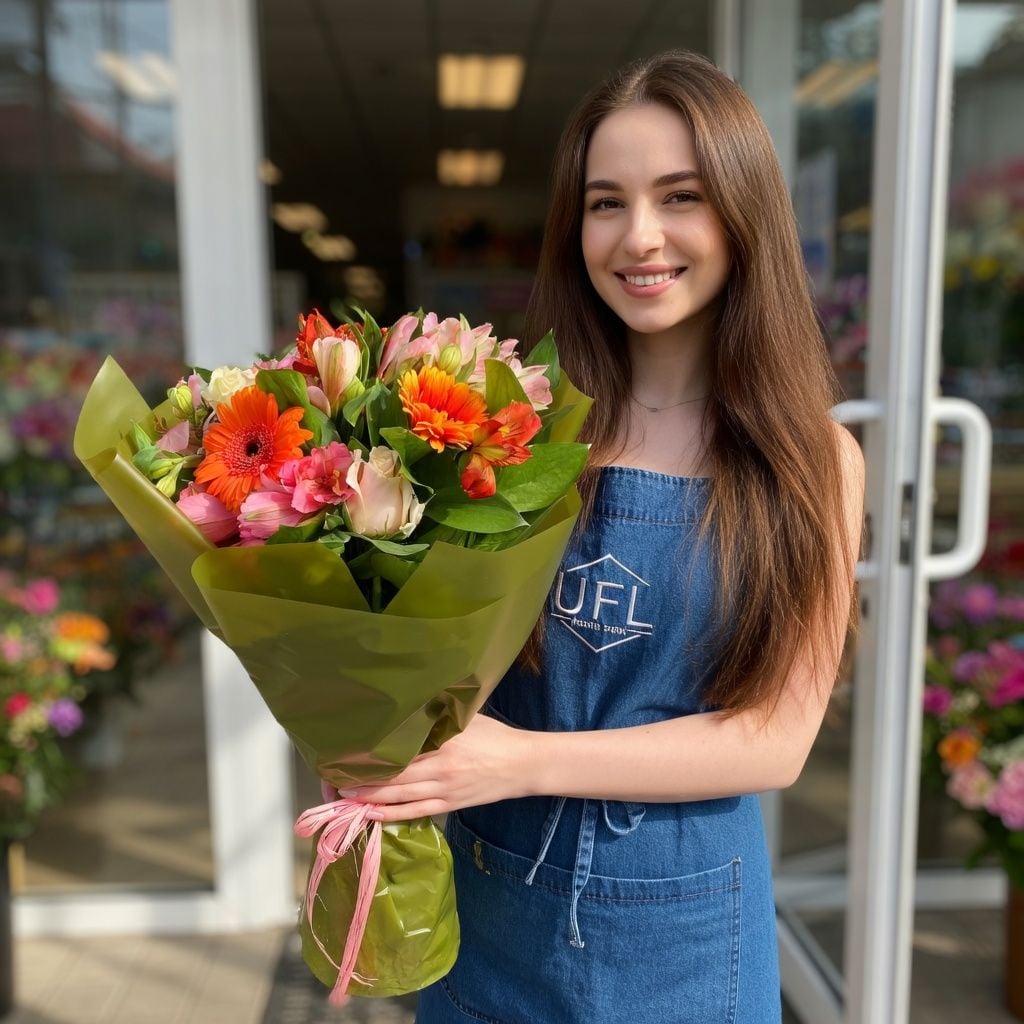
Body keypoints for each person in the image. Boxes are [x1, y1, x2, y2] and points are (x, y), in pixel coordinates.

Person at [342, 49, 865, 1023]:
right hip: (488, 910)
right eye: (605, 203)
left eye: (680, 197)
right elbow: (436, 667)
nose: (641, 236)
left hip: (688, 936)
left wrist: (526, 761)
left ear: (743, 212)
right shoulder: (514, 428)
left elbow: (775, 741)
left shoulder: (812, 456)